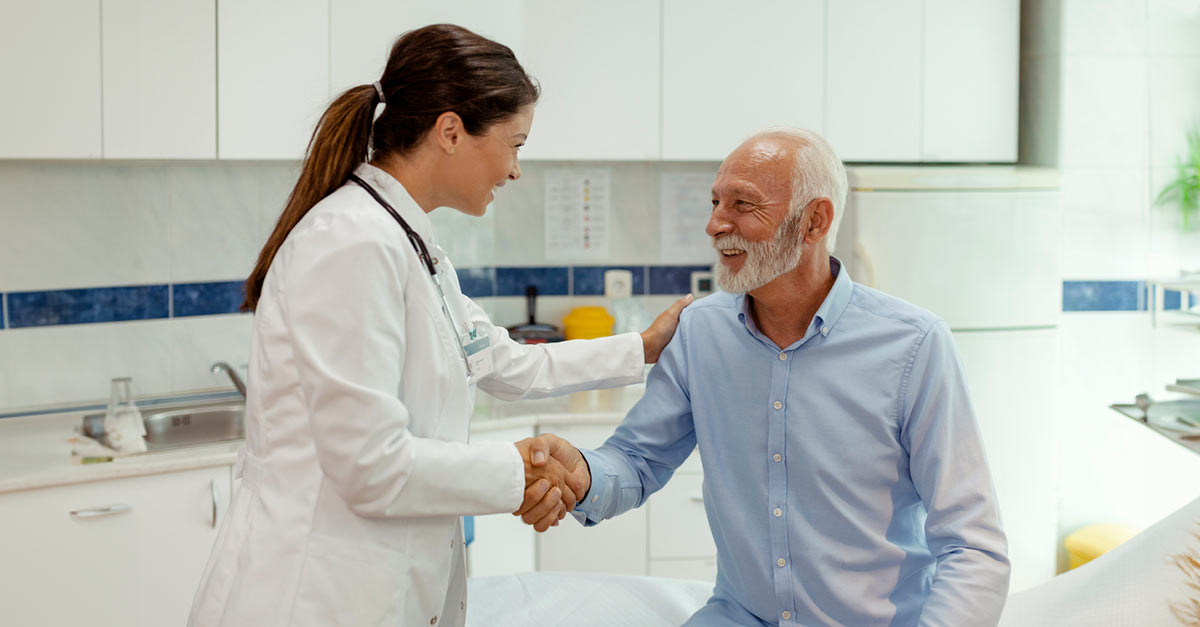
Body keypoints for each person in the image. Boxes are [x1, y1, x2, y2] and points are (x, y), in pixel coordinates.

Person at [187, 24, 689, 627]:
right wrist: (522, 470)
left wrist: (644, 347)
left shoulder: (407, 243)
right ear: (450, 131)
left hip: (377, 587)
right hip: (312, 593)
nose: (515, 170)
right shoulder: (351, 243)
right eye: (515, 144)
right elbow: (372, 467)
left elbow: (501, 360)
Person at [529, 128, 1011, 625]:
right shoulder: (699, 333)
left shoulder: (914, 345)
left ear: (814, 221)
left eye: (743, 204)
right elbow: (637, 460)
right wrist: (581, 474)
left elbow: (973, 546)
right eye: (716, 201)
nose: (715, 224)